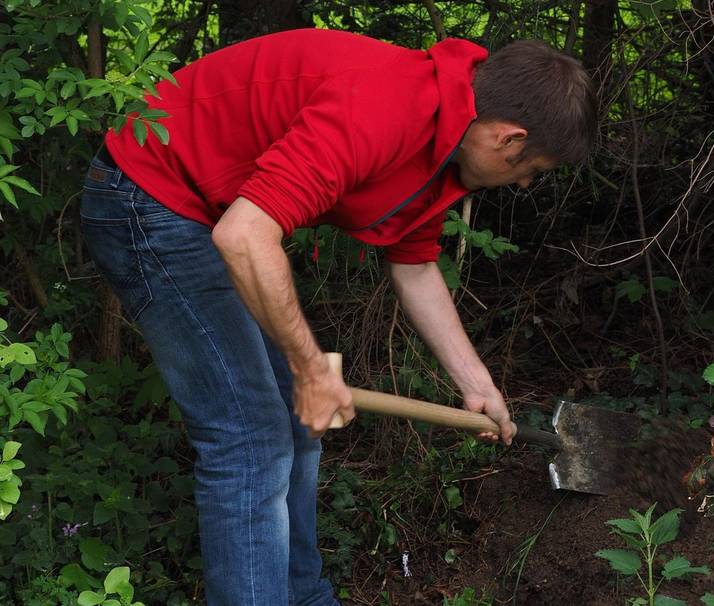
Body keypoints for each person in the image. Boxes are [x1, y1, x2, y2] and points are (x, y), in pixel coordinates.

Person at [80, 27, 593, 606]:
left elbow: (416, 266)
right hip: (149, 197)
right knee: (250, 439)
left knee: (299, 425)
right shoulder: (384, 107)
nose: (524, 183)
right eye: (532, 170)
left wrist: (478, 386)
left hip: (212, 217)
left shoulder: (445, 144)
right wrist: (310, 367)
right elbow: (246, 237)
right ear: (509, 138)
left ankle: (302, 596)